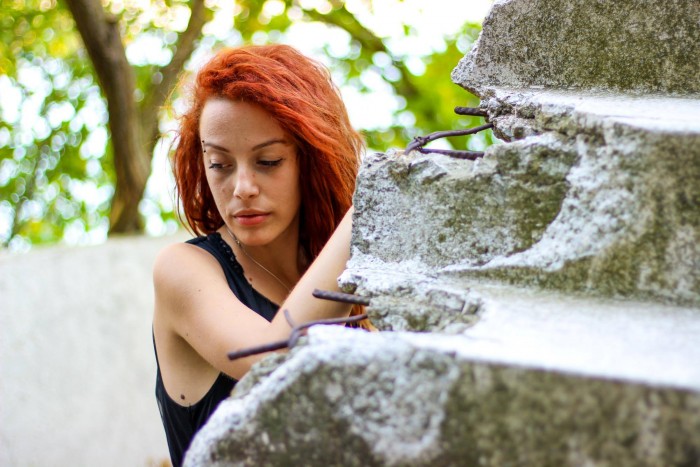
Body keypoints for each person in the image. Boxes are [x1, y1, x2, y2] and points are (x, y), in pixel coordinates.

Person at [152, 44, 372, 466]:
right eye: (220, 164)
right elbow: (274, 367)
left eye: (268, 161)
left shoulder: (357, 279)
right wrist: (368, 210)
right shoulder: (183, 270)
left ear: (311, 161)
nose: (243, 188)